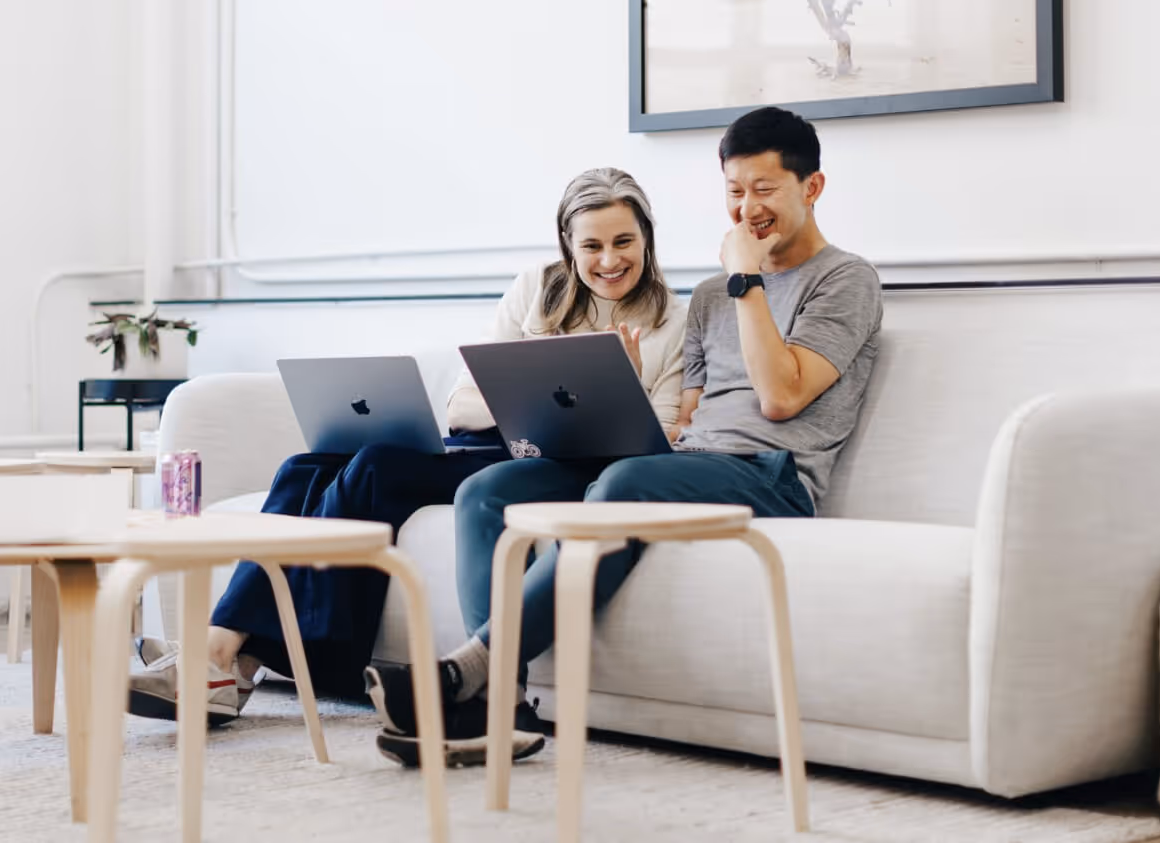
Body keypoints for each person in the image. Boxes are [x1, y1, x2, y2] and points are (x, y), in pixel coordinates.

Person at [368, 106, 883, 768]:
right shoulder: (709, 297)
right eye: (733, 191)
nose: (746, 208)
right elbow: (691, 417)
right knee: (488, 488)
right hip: (685, 462)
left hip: (774, 473)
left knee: (625, 481)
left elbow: (781, 397)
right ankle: (501, 709)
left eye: (764, 189)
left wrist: (746, 279)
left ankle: (470, 672)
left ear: (810, 189)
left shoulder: (846, 279)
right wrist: (629, 394)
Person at [127, 167, 687, 764]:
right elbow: (462, 404)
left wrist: (606, 386)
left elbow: (661, 431)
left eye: (623, 242)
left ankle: (240, 660)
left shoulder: (672, 319)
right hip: (488, 440)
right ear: (567, 246)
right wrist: (532, 379)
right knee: (303, 467)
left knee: (375, 468)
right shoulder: (536, 289)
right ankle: (227, 656)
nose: (608, 260)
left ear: (647, 238)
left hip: (548, 465)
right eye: (591, 245)